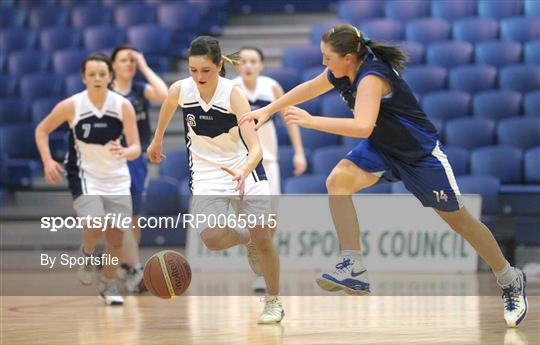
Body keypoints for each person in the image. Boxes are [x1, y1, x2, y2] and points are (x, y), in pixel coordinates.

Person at [239, 24, 528, 328]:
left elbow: (362, 126)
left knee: (460, 222)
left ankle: (509, 277)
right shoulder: (342, 71)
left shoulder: (373, 77)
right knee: (337, 181)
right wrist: (269, 110)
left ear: (349, 57)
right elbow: (311, 87)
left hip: (419, 156)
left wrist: (311, 121)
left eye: (328, 57)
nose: (324, 63)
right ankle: (353, 264)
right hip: (382, 149)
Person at [147, 36, 284, 324]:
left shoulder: (232, 93)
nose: (198, 77)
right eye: (193, 70)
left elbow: (256, 147)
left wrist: (244, 170)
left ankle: (273, 302)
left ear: (219, 65)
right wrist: (157, 139)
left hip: (244, 167)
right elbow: (168, 105)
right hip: (206, 173)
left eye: (205, 71)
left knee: (265, 238)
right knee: (211, 239)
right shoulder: (181, 89)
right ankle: (246, 239)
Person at [35, 53, 141, 305]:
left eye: (102, 74)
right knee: (95, 226)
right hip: (84, 175)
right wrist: (48, 160)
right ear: (83, 77)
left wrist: (127, 151)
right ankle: (87, 252)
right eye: (91, 74)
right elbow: (41, 130)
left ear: (110, 77)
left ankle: (107, 285)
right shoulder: (71, 105)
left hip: (116, 177)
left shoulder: (123, 105)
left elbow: (136, 146)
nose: (97, 79)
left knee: (116, 238)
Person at [234, 46, 307, 292]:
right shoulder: (231, 88)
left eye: (253, 61)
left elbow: (290, 119)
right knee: (249, 219)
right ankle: (256, 257)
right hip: (241, 162)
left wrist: (298, 152)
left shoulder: (271, 86)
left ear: (261, 65)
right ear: (237, 65)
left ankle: (263, 267)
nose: (248, 65)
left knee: (270, 217)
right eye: (243, 61)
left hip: (269, 161)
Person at [110, 45, 168, 293]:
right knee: (120, 216)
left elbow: (165, 94)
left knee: (135, 217)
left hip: (137, 160)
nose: (129, 64)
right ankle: (133, 269)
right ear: (112, 65)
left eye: (132, 61)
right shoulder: (105, 93)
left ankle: (127, 264)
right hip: (112, 161)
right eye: (124, 60)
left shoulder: (138, 90)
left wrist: (144, 65)